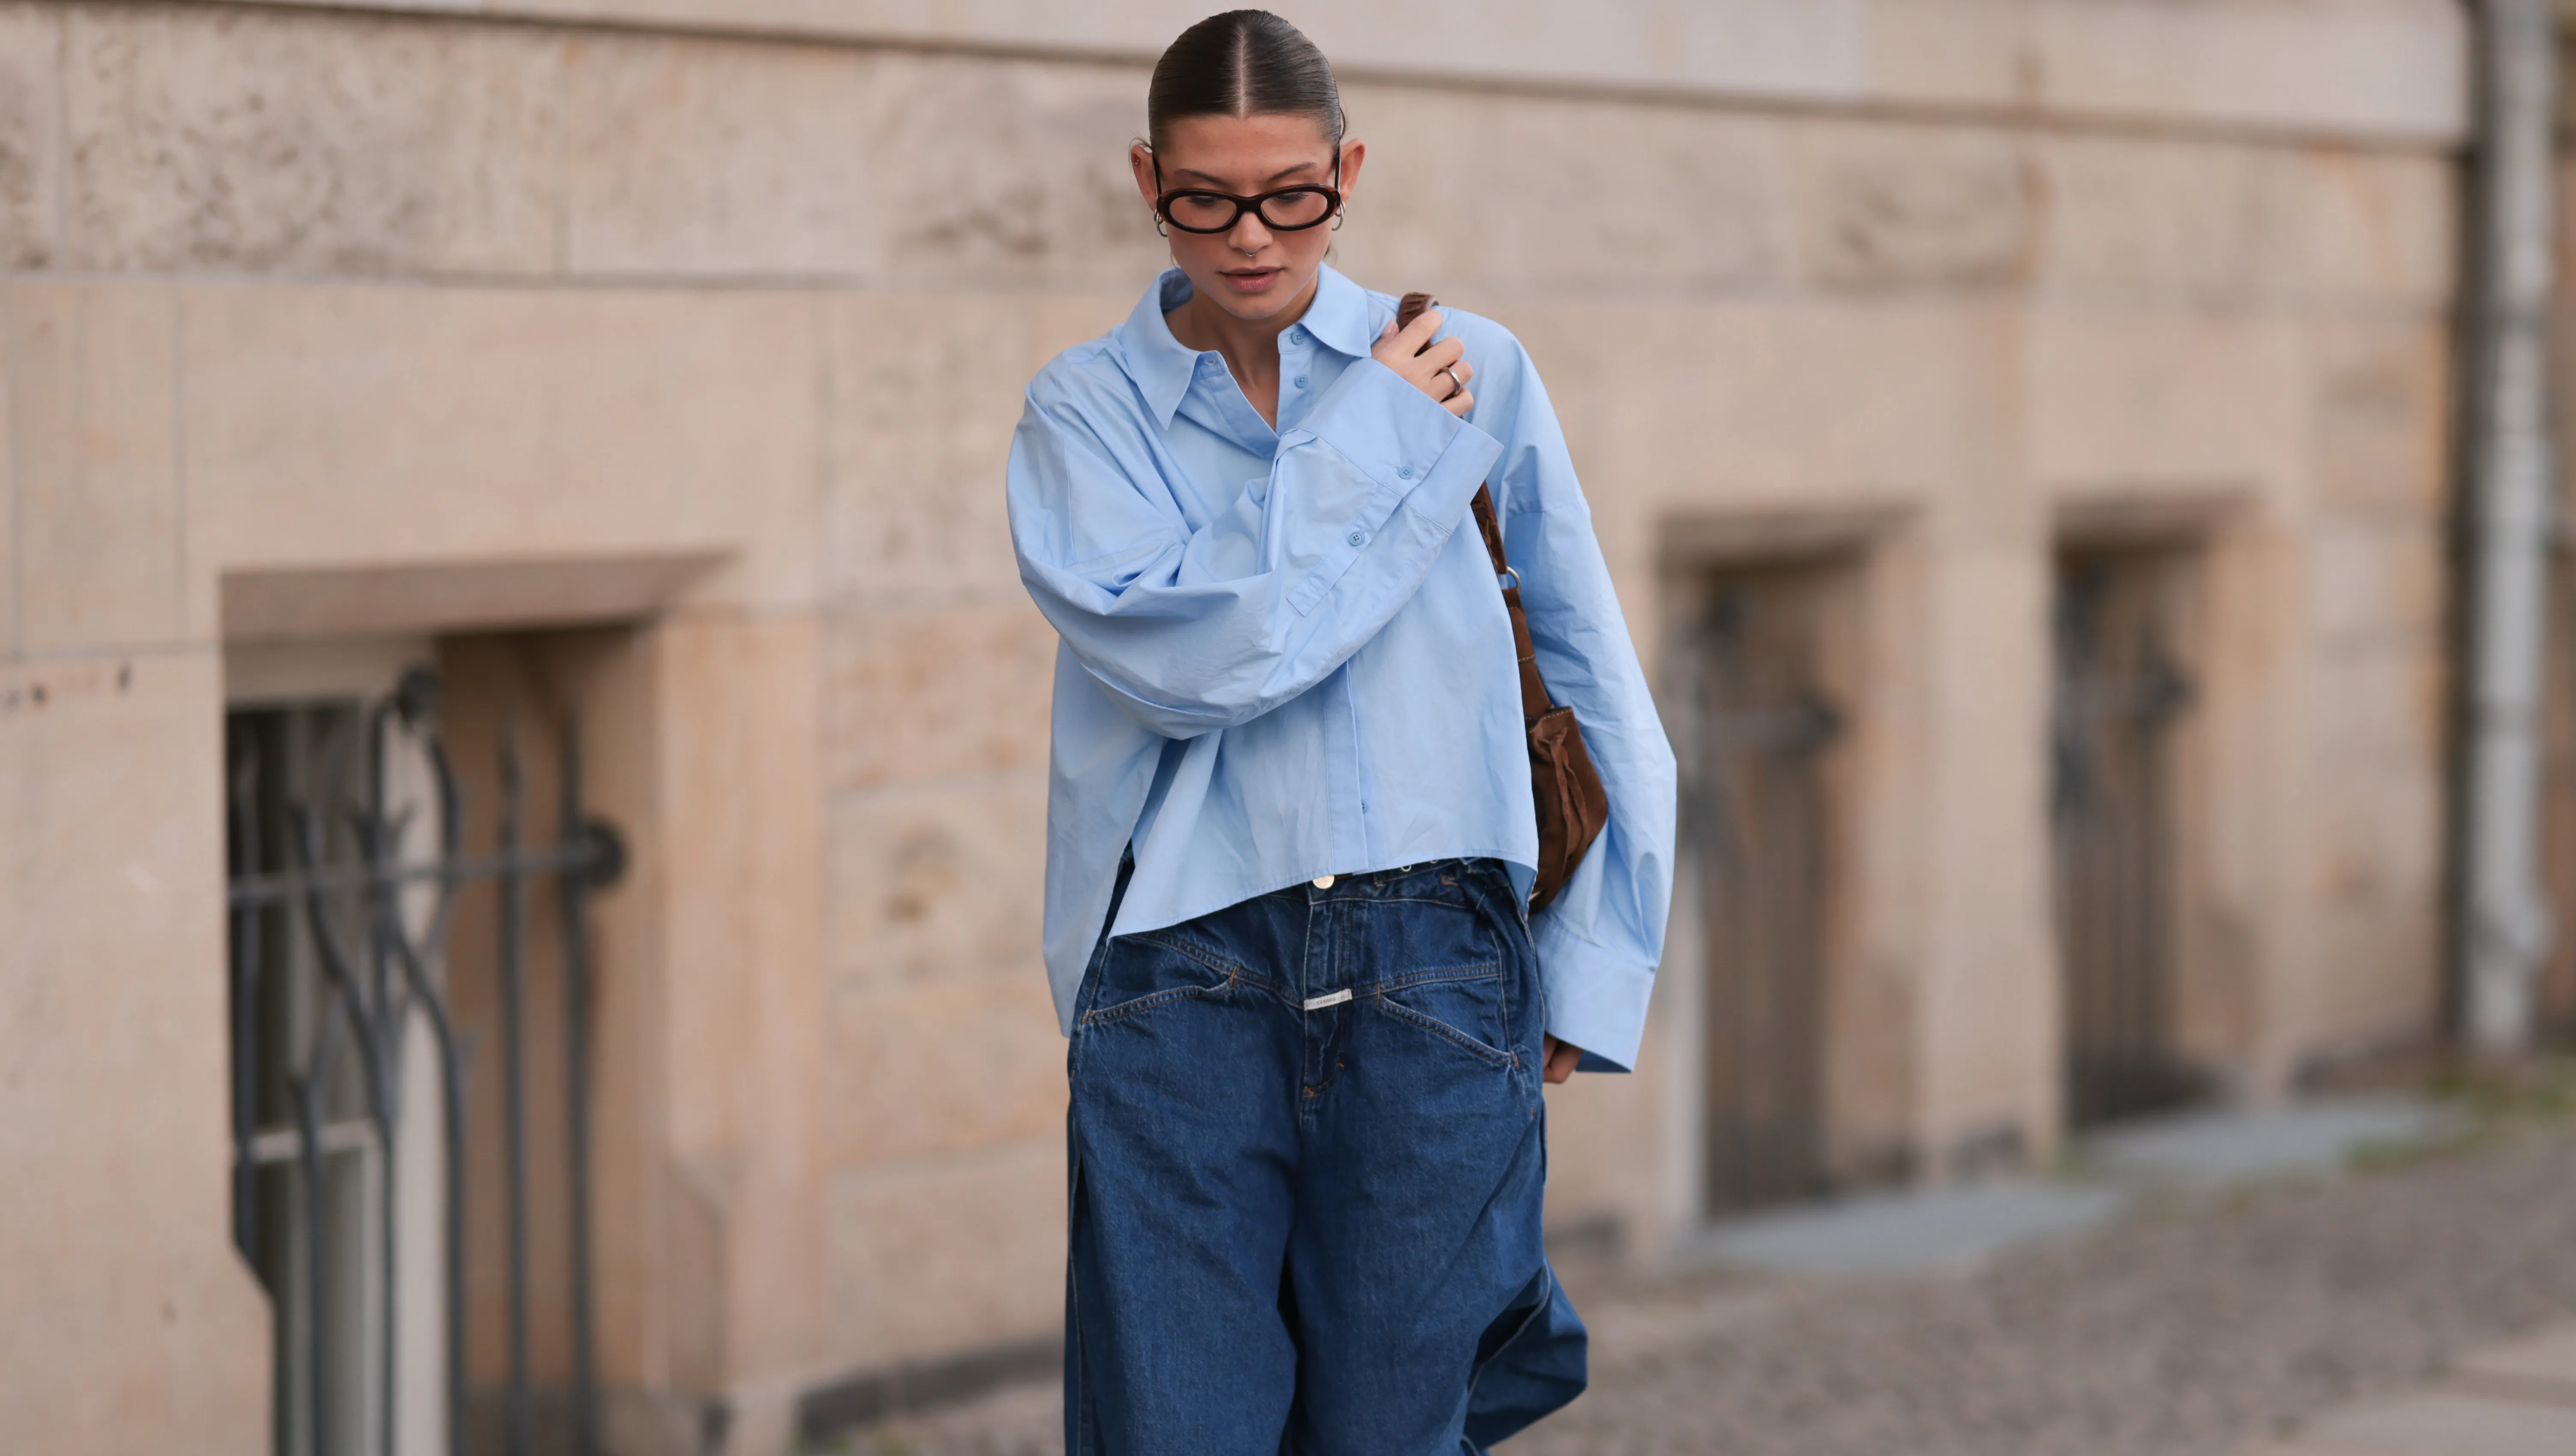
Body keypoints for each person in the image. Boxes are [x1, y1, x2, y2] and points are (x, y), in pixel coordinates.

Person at [1005, 11, 1676, 1453]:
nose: (1251, 236)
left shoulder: (1473, 368)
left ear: (1346, 171)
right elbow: (1201, 666)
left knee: (1396, 1432)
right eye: (1206, 198)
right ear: (1146, 180)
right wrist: (1372, 434)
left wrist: (1591, 959)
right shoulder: (1085, 412)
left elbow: (1591, 670)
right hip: (1178, 970)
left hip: (1437, 953)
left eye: (1290, 195)